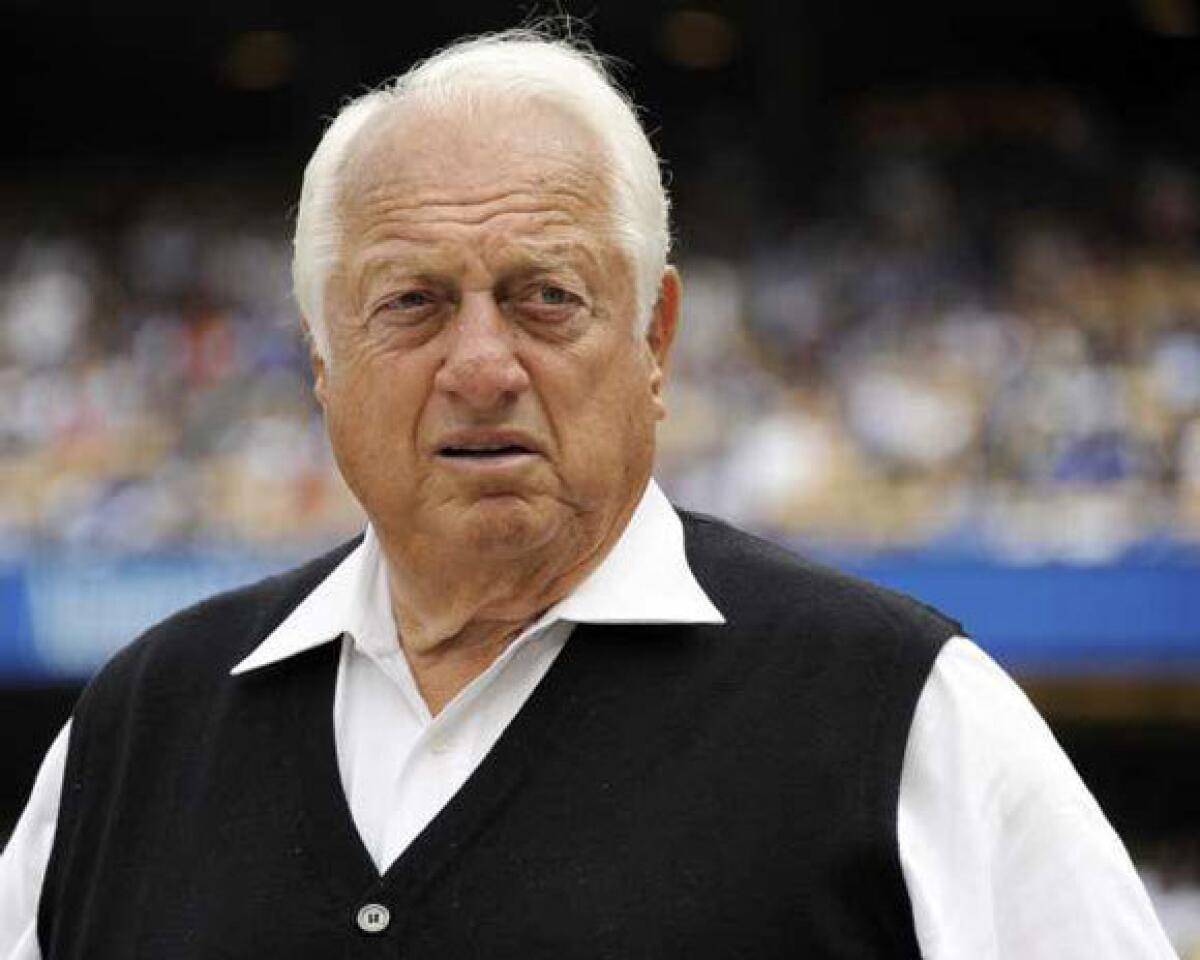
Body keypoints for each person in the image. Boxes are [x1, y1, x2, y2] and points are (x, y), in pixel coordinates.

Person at [0, 29, 1177, 959]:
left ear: (655, 336)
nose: (480, 365)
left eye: (544, 296)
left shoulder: (904, 716)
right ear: (320, 357)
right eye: (410, 303)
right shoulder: (135, 731)